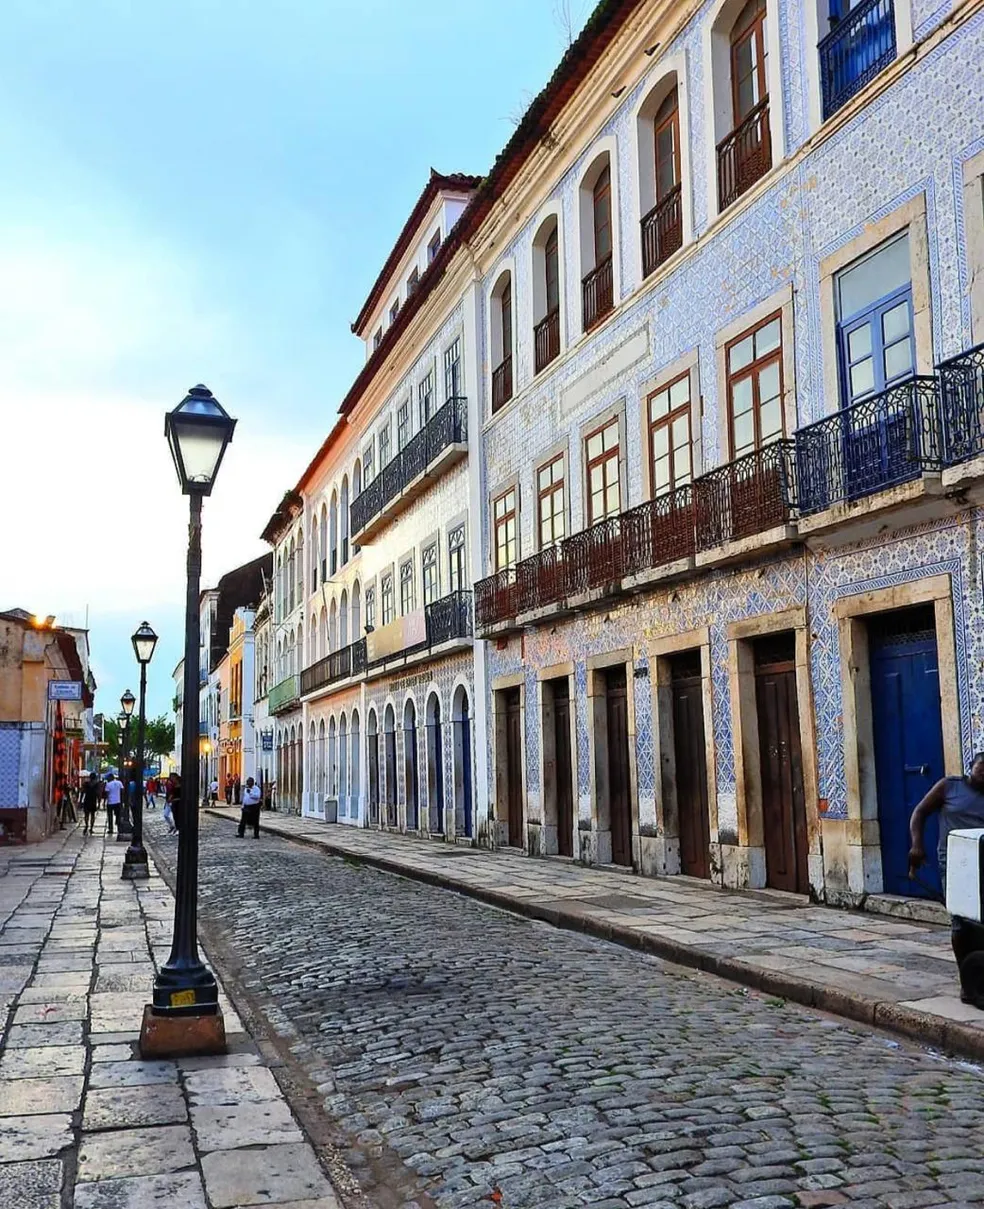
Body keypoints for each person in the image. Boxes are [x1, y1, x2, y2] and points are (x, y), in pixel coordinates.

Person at [909, 752, 984, 1006]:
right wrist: (917, 845)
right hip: (956, 866)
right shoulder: (949, 787)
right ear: (970, 768)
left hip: (982, 862)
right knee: (960, 923)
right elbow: (919, 812)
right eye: (981, 768)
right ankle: (967, 984)